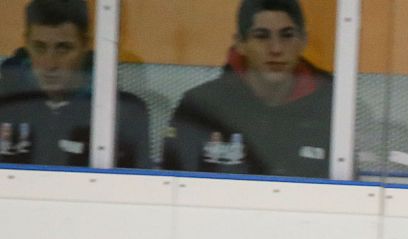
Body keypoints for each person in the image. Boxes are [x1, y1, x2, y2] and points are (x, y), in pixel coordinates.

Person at [160, 0, 332, 178]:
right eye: (261, 36)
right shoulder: (199, 108)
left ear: (303, 41)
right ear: (240, 43)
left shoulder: (333, 107)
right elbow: (170, 191)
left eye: (287, 35)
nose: (276, 48)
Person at [0, 0, 149, 168]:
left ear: (85, 45)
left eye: (63, 48)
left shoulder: (123, 112)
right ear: (26, 43)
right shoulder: (6, 105)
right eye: (39, 47)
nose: (50, 64)